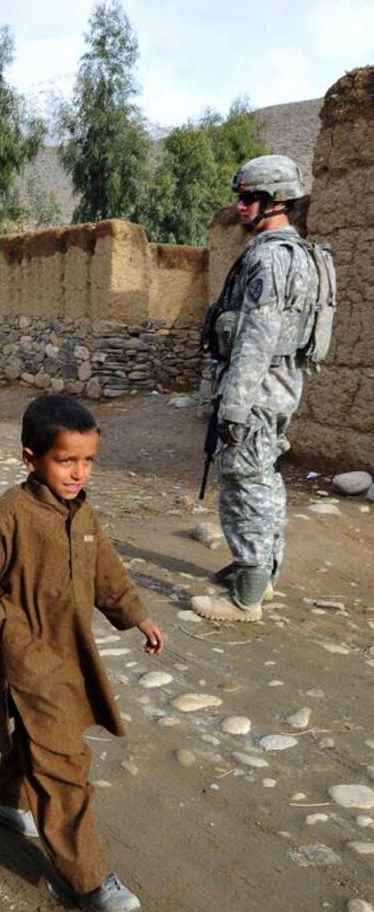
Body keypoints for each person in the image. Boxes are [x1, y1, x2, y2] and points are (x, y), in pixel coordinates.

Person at [0, 395, 164, 912]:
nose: (78, 472)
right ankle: (84, 879)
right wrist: (6, 627)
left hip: (72, 654)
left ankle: (2, 801)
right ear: (31, 458)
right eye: (66, 460)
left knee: (43, 743)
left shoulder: (82, 510)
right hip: (29, 660)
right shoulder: (11, 513)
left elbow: (106, 570)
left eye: (87, 461)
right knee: (65, 762)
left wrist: (137, 615)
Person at [192, 155, 320, 623]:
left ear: (276, 201)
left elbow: (256, 338)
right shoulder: (298, 253)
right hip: (279, 388)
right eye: (241, 197)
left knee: (244, 483)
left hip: (257, 391)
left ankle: (246, 595)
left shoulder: (269, 257)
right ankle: (260, 573)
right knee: (265, 481)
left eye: (250, 198)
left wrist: (234, 405)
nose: (240, 207)